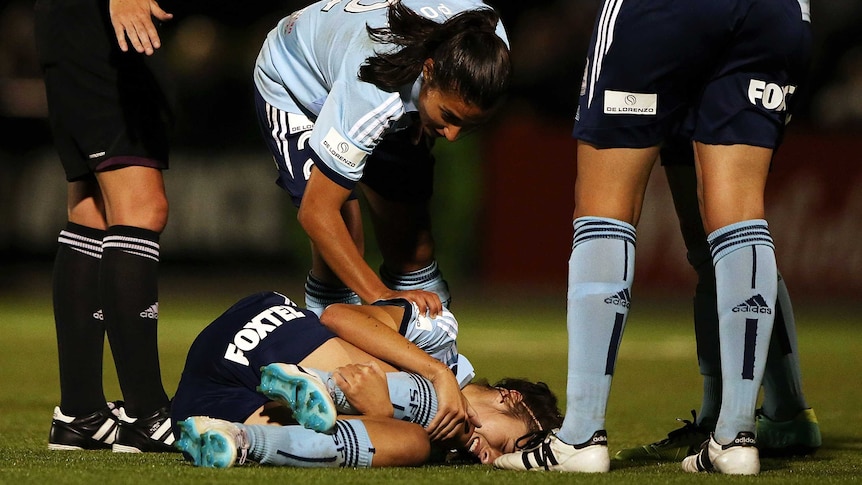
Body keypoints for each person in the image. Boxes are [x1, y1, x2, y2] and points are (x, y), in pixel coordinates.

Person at [493, 0, 812, 475]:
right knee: (737, 214)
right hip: (776, 11)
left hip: (667, 12)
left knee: (604, 204)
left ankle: (580, 436)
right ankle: (736, 435)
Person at [253, 0, 510, 316]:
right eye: (449, 117)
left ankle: (432, 352)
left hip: (378, 78)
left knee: (413, 250)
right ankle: (332, 358)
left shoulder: (486, 42)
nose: (453, 136)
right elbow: (316, 212)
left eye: (469, 125)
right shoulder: (374, 95)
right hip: (298, 80)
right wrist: (379, 295)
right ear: (428, 71)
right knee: (343, 240)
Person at [169, 291, 562, 467]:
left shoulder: (437, 447)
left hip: (207, 402)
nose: (490, 458)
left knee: (410, 442)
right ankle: (321, 385)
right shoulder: (442, 338)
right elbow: (337, 315)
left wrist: (382, 414)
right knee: (419, 405)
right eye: (506, 444)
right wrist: (437, 372)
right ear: (510, 399)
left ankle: (234, 441)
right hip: (262, 333)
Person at [612, 139, 821, 462]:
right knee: (721, 248)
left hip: (708, 98)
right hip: (711, 97)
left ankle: (740, 418)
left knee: (723, 245)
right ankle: (785, 409)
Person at [34, 0, 177, 452]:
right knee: (141, 208)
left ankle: (81, 414)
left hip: (73, 26)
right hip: (97, 29)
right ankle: (147, 414)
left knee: (93, 211)